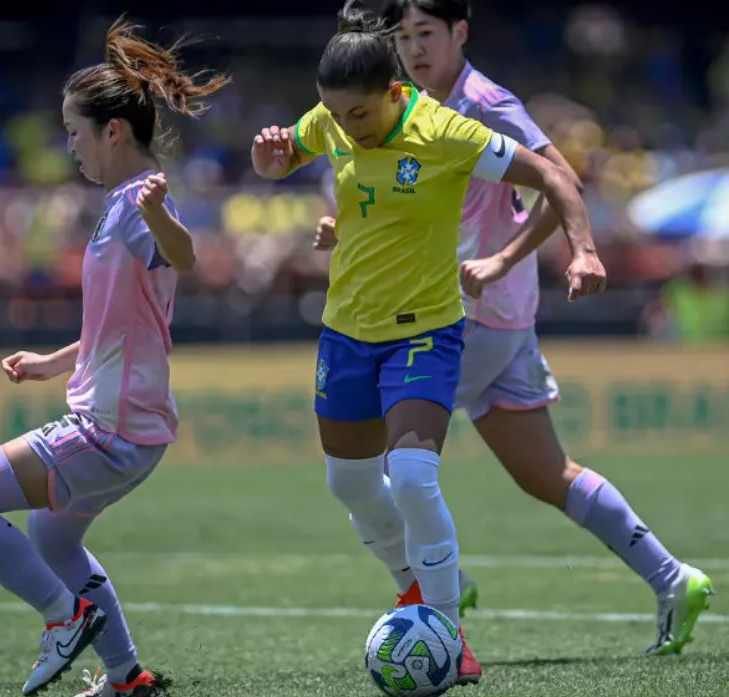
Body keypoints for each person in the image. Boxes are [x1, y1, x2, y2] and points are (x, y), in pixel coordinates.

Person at [315, 0, 714, 657]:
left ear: (459, 33)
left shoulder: (484, 103)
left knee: (387, 468)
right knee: (544, 472)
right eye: (404, 36)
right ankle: (674, 578)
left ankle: (431, 594)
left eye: (426, 35)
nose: (414, 49)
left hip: (462, 313)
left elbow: (559, 176)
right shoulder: (401, 104)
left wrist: (523, 255)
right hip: (502, 318)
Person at [252, 0, 599, 685]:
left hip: (427, 332)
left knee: (411, 476)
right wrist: (271, 158)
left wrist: (582, 250)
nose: (347, 129)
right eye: (335, 116)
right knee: (348, 482)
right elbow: (287, 153)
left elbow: (555, 175)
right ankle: (416, 587)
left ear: (393, 93)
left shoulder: (447, 130)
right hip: (346, 332)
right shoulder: (332, 119)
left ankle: (445, 630)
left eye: (359, 115)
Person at [0, 19, 226, 697]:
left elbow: (186, 256)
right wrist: (52, 362)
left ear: (112, 132)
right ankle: (127, 675)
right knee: (52, 539)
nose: (70, 146)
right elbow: (120, 325)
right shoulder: (120, 205)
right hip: (131, 428)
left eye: (73, 131)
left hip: (109, 432)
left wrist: (159, 215)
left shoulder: (139, 203)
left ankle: (64, 616)